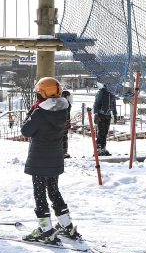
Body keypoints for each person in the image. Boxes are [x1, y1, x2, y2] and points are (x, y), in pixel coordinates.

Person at [21, 77, 80, 242]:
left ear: (41, 94)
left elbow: (26, 130)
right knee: (54, 191)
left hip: (39, 158)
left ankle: (45, 229)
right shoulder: (64, 109)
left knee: (39, 193)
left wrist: (31, 113)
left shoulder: (39, 112)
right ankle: (66, 225)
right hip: (55, 156)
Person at [93, 84, 117, 156]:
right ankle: (98, 150)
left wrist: (115, 115)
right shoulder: (101, 92)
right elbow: (96, 103)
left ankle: (103, 148)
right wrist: (96, 114)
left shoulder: (112, 94)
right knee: (101, 133)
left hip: (108, 115)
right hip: (101, 115)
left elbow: (114, 105)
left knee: (105, 133)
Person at [61, 89, 72, 158]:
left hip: (64, 122)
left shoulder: (62, 102)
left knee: (63, 137)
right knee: (64, 137)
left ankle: (64, 152)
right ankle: (64, 152)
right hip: (64, 122)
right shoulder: (65, 102)